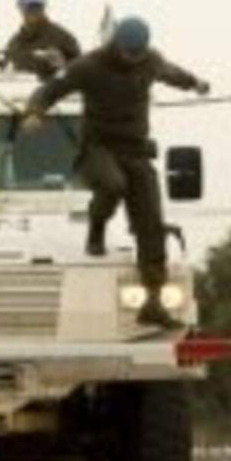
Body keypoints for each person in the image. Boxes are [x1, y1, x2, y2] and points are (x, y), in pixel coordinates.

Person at [21, 17, 210, 329]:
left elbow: (172, 73)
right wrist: (35, 113)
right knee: (113, 184)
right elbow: (51, 89)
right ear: (116, 45)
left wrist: (195, 83)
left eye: (138, 55)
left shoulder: (151, 60)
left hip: (135, 149)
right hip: (98, 148)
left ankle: (152, 303)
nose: (132, 60)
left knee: (151, 222)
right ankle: (96, 228)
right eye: (127, 54)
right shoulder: (88, 65)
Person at [4, 0, 81, 80]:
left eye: (38, 6)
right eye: (29, 6)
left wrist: (63, 65)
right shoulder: (13, 45)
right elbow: (5, 77)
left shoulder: (64, 40)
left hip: (53, 94)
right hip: (19, 95)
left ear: (44, 6)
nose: (34, 11)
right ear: (19, 6)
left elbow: (80, 79)